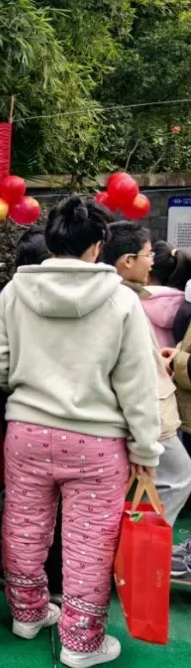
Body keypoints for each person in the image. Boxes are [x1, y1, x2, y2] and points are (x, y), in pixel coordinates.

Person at [0, 196, 161, 668]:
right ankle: (81, 644)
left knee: (23, 525)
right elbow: (137, 384)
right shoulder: (121, 300)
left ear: (52, 241)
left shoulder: (15, 292)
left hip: (27, 431)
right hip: (97, 443)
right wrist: (145, 448)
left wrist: (30, 385)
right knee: (88, 543)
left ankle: (27, 615)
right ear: (98, 246)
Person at [0, 227, 63, 601]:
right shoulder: (93, 295)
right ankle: (48, 582)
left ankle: (8, 571)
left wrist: (15, 389)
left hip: (19, 409)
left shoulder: (9, 295)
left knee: (20, 497)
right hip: (63, 418)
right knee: (47, 503)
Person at [101, 224, 191, 526]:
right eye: (147, 254)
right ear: (127, 261)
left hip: (101, 418)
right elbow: (137, 375)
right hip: (147, 414)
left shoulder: (108, 297)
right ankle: (141, 546)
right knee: (178, 476)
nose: (150, 262)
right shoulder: (126, 302)